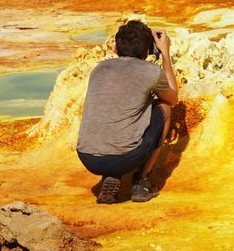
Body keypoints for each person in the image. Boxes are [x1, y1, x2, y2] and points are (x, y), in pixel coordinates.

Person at [76, 20, 179, 203]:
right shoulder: (150, 71)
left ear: (116, 48)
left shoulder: (99, 69)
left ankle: (110, 175)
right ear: (148, 51)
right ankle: (141, 182)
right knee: (164, 108)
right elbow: (172, 98)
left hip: (87, 157)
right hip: (124, 157)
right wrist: (165, 53)